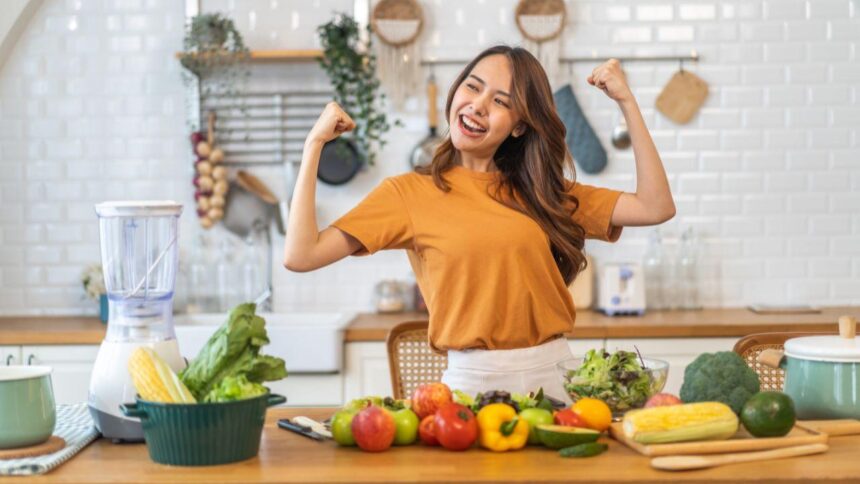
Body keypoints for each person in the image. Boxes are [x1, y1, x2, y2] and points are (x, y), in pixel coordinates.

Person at [283, 45, 675, 402]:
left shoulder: (543, 191)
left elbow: (655, 207)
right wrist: (313, 145)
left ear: (520, 126)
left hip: (555, 382)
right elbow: (301, 255)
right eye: (473, 87)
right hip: (470, 387)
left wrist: (626, 101)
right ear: (455, 93)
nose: (478, 105)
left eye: (501, 101)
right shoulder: (407, 194)